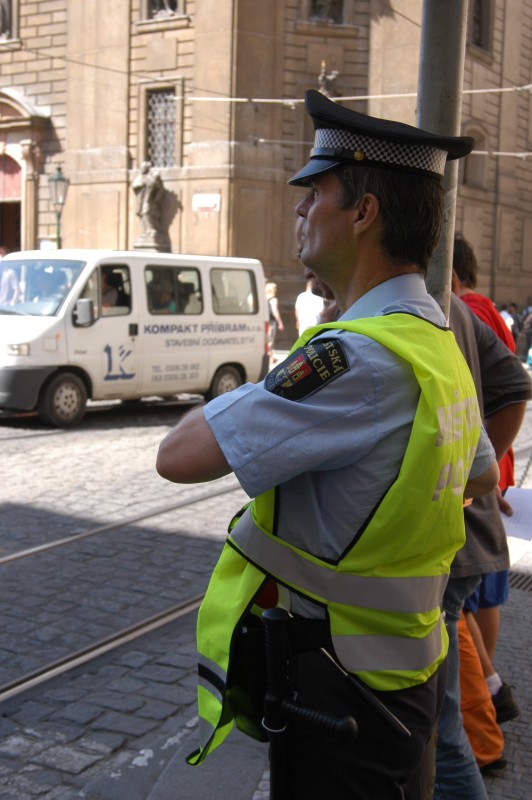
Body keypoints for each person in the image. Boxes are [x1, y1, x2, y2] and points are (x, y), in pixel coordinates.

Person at [156, 89, 499, 799]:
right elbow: (480, 477)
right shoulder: (434, 340)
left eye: (316, 194)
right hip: (405, 668)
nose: (300, 211)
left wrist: (255, 392)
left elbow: (179, 456)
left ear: (364, 213)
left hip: (340, 687)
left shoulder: (359, 360)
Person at [433, 294, 531, 799]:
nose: (300, 210)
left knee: (440, 729)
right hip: (467, 530)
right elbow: (515, 382)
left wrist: (475, 478)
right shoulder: (452, 304)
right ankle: (491, 698)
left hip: (447, 541)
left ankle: (487, 728)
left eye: (313, 205)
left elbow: (516, 384)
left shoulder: (430, 303)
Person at [452, 234, 521, 723]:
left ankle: (487, 695)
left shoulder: (459, 311)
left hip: (475, 474)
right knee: (481, 590)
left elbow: (515, 385)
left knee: (466, 600)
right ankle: (490, 688)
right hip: (489, 469)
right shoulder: (488, 310)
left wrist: (483, 469)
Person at [265, 280, 285, 359]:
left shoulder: (264, 299)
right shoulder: (273, 299)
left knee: (266, 340)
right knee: (270, 340)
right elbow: (275, 311)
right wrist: (280, 322)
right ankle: (270, 356)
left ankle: (270, 356)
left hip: (265, 321)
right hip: (271, 322)